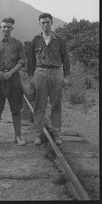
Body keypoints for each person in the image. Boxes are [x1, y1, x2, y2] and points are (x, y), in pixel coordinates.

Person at [27, 13, 70, 145]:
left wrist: (66, 76)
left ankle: (57, 134)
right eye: (43, 22)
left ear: (52, 23)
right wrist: (31, 77)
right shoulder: (35, 40)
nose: (45, 25)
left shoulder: (60, 40)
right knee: (39, 105)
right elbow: (31, 60)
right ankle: (40, 134)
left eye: (47, 22)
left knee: (56, 105)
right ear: (39, 24)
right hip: (40, 73)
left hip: (56, 72)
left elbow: (65, 58)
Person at [0, 17, 26, 146]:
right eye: (4, 26)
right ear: (0, 27)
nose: (6, 29)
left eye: (9, 27)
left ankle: (18, 137)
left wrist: (10, 72)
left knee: (16, 108)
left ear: (12, 28)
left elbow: (22, 61)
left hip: (13, 78)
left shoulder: (18, 44)